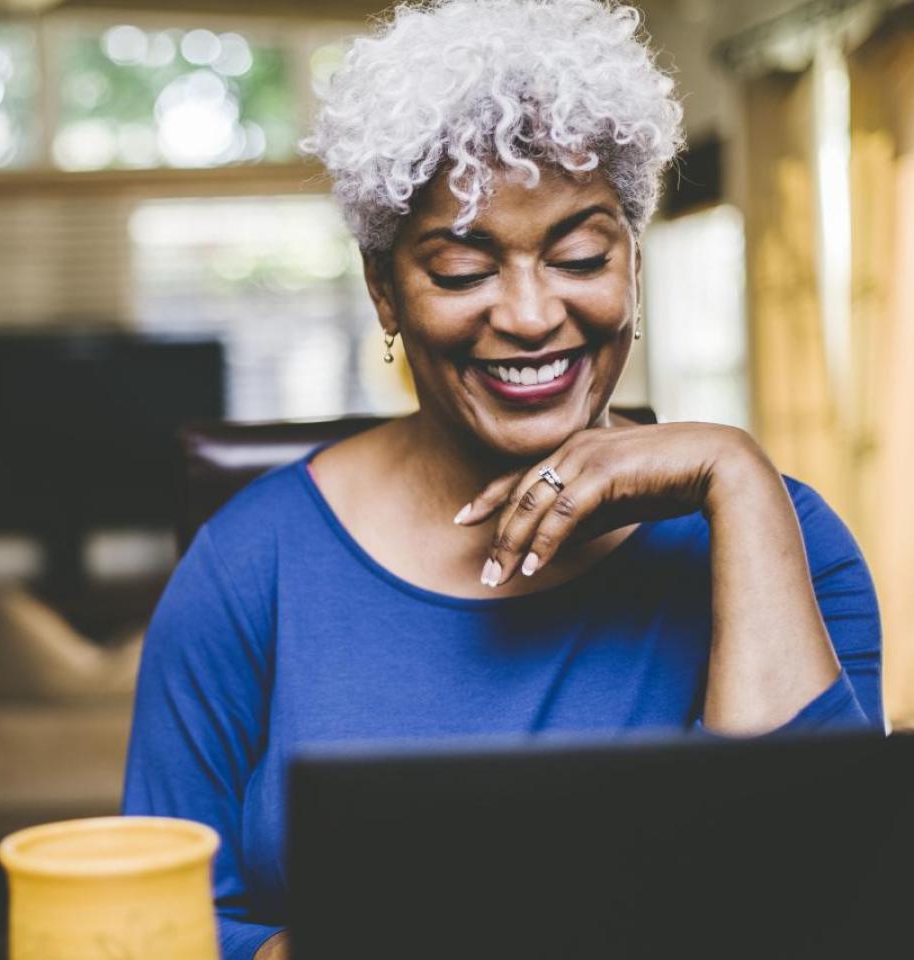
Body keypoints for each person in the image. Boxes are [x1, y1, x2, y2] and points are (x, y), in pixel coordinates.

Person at [121, 2, 884, 958]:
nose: (529, 315)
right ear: (384, 289)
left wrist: (736, 473)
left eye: (579, 256)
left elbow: (820, 904)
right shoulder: (248, 570)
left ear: (634, 266)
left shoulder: (783, 540)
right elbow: (151, 932)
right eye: (459, 269)